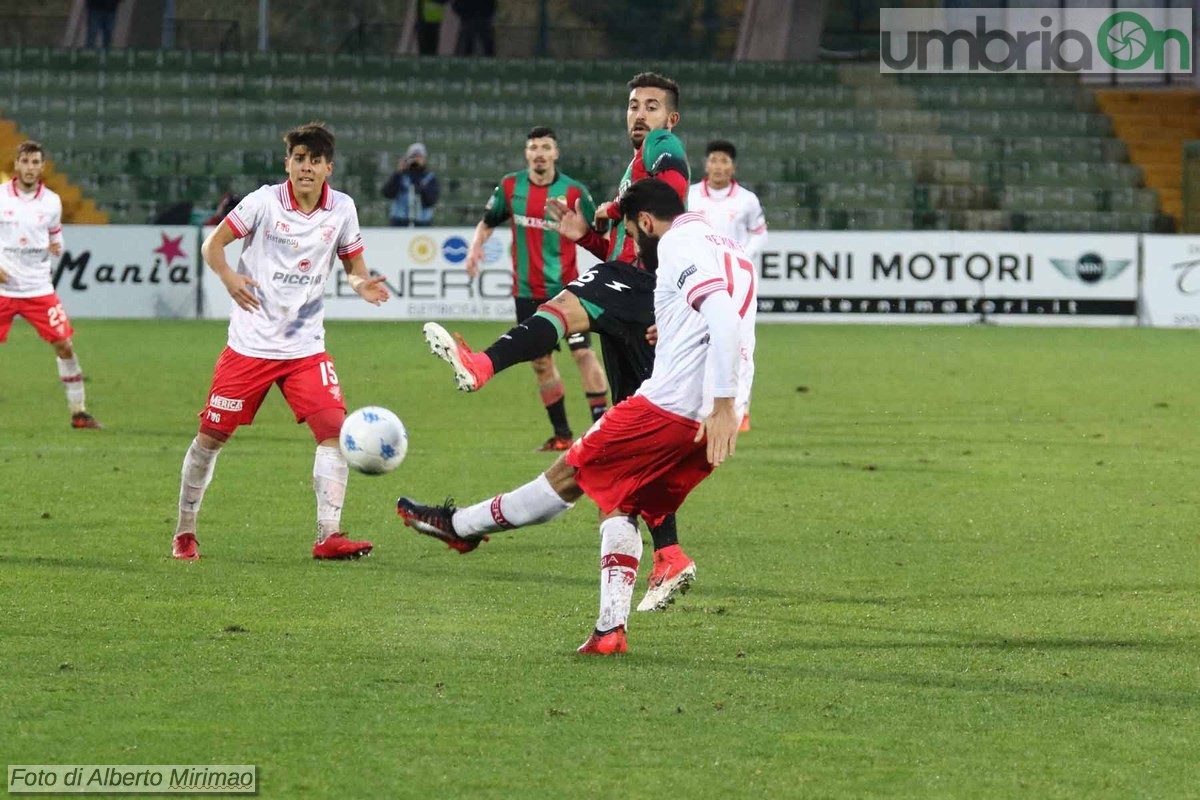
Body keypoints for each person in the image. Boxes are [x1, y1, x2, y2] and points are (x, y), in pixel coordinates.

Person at [398, 179, 757, 655]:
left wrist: (722, 402)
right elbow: (726, 311)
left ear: (645, 223)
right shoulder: (724, 243)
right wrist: (674, 336)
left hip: (675, 409)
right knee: (621, 502)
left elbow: (724, 318)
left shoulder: (673, 244)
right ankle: (610, 631)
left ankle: (461, 527)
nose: (636, 248)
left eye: (631, 233)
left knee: (568, 475)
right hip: (712, 422)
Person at [420, 71, 698, 614]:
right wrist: (589, 237)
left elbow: (670, 199)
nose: (640, 115)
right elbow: (629, 235)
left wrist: (614, 210)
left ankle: (481, 364)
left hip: (642, 284)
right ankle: (667, 555)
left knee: (565, 305)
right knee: (636, 438)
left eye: (652, 107)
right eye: (633, 105)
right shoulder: (630, 170)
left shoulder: (663, 150)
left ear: (671, 119)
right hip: (639, 293)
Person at [171, 122, 390, 562]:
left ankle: (328, 535)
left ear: (329, 167)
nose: (305, 168)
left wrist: (361, 283)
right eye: (298, 159)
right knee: (211, 437)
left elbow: (354, 265)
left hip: (305, 350)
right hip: (249, 348)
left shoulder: (342, 209)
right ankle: (185, 529)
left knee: (333, 431)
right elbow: (213, 245)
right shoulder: (263, 202)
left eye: (314, 161)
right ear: (287, 163)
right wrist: (229, 276)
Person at [464, 126, 609, 452]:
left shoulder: (573, 192)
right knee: (541, 363)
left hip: (568, 290)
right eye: (534, 147)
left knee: (584, 354)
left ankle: (602, 431)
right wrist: (475, 249)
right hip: (527, 291)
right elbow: (487, 222)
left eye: (546, 147)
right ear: (527, 153)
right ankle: (562, 435)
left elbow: (600, 232)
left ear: (556, 153)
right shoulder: (510, 186)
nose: (539, 153)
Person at [0, 140, 102, 430]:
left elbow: (55, 236)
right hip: (3, 291)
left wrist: (57, 245)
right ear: (16, 164)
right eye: (25, 162)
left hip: (38, 290)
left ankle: (79, 412)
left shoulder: (52, 202)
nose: (30, 168)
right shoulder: (1, 197)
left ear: (42, 166)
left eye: (35, 163)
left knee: (64, 345)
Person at [687, 139, 767, 433]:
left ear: (732, 167)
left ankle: (740, 409)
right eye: (714, 160)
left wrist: (741, 256)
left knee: (741, 345)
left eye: (724, 161)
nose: (719, 166)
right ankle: (699, 406)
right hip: (699, 282)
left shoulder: (746, 200)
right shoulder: (690, 197)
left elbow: (760, 234)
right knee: (697, 344)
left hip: (736, 284)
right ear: (706, 164)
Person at [382, 143, 438, 227]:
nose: (415, 161)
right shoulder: (400, 176)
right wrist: (398, 173)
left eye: (419, 157)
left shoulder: (429, 178)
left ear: (424, 159)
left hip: (422, 222)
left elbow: (431, 201)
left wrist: (417, 179)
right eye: (413, 157)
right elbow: (387, 193)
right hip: (399, 221)